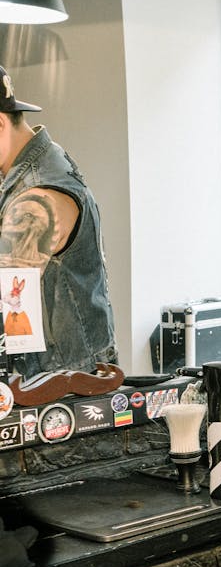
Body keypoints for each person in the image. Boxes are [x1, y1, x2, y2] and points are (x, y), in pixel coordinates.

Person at [0, 64, 116, 375]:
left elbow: (11, 303)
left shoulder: (34, 200)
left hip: (59, 388)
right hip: (71, 375)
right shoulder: (50, 161)